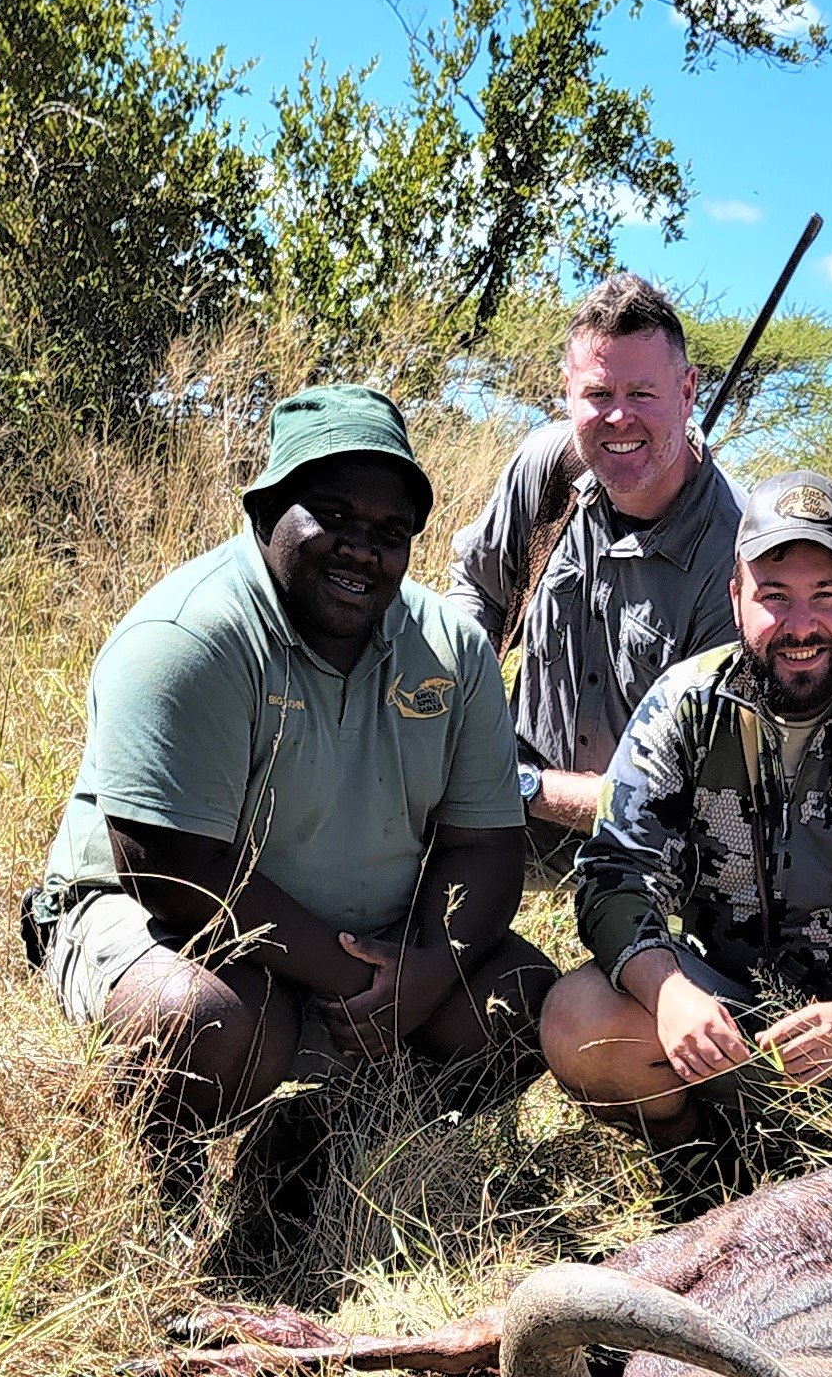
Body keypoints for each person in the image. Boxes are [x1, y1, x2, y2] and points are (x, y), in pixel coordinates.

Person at [31, 384, 547, 1139]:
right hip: (174, 926)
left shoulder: (452, 647)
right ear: (266, 512)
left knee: (528, 998)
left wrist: (431, 967)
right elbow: (168, 869)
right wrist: (364, 984)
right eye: (332, 516)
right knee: (209, 1023)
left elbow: (488, 845)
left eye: (390, 529)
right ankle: (171, 1180)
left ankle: (330, 1145)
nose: (362, 548)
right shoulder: (191, 635)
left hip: (375, 942)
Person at [540, 472, 832, 1193]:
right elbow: (615, 876)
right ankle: (699, 1163)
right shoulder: (684, 707)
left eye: (825, 595)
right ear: (735, 598)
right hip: (725, 1025)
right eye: (773, 596)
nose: (800, 625)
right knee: (577, 1017)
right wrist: (670, 996)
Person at [445, 272, 743, 850]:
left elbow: (689, 793)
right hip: (512, 802)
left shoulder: (735, 551)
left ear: (687, 393)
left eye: (643, 395)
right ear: (567, 391)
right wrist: (457, 723)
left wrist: (519, 785)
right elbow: (477, 591)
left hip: (652, 840)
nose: (618, 418)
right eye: (599, 395)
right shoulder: (546, 469)